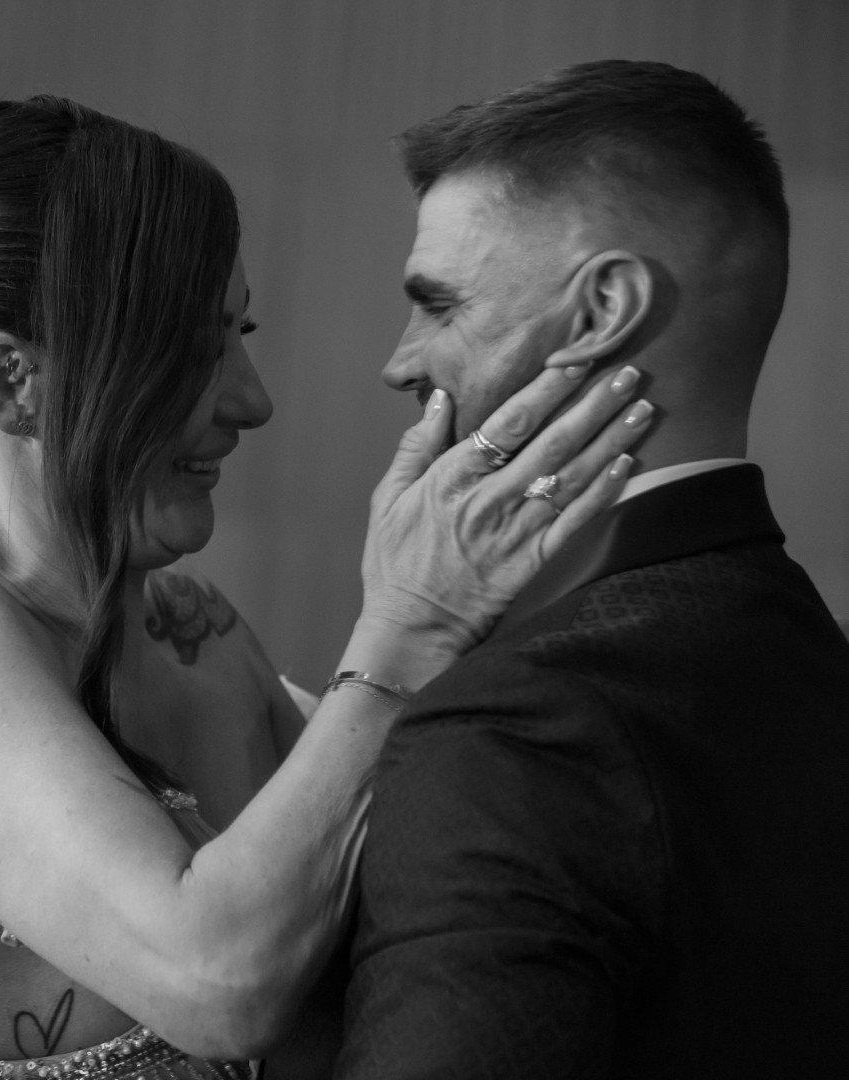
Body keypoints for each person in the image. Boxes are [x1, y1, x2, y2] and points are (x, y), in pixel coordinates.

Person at [0, 68, 652, 1078]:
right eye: (193, 349)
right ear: (16, 383)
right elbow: (222, 983)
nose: (252, 400)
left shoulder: (195, 638)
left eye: (240, 335)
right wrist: (410, 625)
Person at [334, 60, 849, 1077]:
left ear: (603, 308)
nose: (400, 362)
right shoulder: (817, 664)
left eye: (439, 305)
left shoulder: (519, 732)